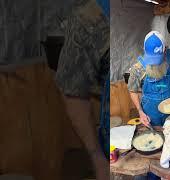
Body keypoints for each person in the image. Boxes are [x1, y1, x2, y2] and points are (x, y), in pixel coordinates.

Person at [55, 0, 109, 179]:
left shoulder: (155, 10)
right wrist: (98, 159)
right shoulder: (88, 19)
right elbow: (73, 94)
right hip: (111, 146)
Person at [128, 31, 170, 128]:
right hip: (150, 113)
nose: (155, 64)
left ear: (164, 50)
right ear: (145, 51)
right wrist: (140, 111)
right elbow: (132, 90)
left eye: (157, 59)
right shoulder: (138, 68)